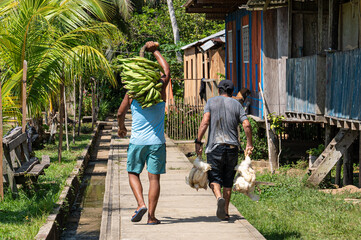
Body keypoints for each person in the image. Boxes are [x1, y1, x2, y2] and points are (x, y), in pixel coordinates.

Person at [117, 41, 170, 225]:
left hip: (137, 141)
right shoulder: (159, 90)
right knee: (154, 178)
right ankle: (151, 217)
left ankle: (140, 204)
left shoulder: (132, 92)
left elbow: (119, 113)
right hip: (157, 142)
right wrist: (155, 51)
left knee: (133, 172)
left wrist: (121, 127)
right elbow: (167, 72)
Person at [195, 79, 253, 220]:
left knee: (214, 177)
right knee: (228, 179)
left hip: (215, 147)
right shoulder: (237, 104)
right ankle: (225, 212)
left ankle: (219, 197)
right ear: (232, 91)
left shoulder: (211, 102)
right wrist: (249, 143)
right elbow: (246, 124)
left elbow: (205, 122)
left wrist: (198, 141)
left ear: (219, 90)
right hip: (232, 148)